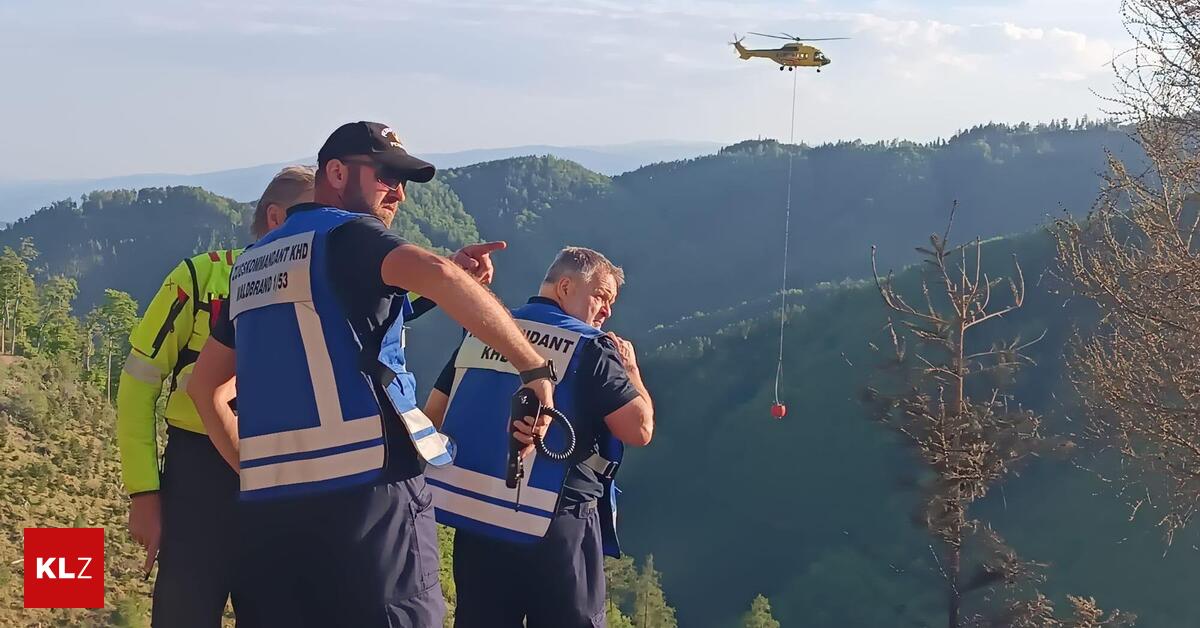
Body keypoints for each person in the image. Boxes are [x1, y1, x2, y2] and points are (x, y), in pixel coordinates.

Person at [187, 120, 556, 628]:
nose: (399, 193)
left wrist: (253, 469)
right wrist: (534, 368)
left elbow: (205, 387)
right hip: (373, 505)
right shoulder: (349, 233)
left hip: (272, 519)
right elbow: (438, 276)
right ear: (336, 173)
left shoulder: (251, 265)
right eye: (385, 176)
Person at [117, 165, 316, 627]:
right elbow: (137, 386)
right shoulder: (198, 278)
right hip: (197, 478)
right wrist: (143, 493)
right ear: (275, 218)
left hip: (282, 475)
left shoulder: (319, 288)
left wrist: (448, 275)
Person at [424, 246, 656, 628]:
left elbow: (434, 415)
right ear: (565, 287)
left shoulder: (485, 329)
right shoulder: (589, 346)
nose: (607, 311)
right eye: (602, 296)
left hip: (480, 520)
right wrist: (631, 370)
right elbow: (639, 429)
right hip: (559, 521)